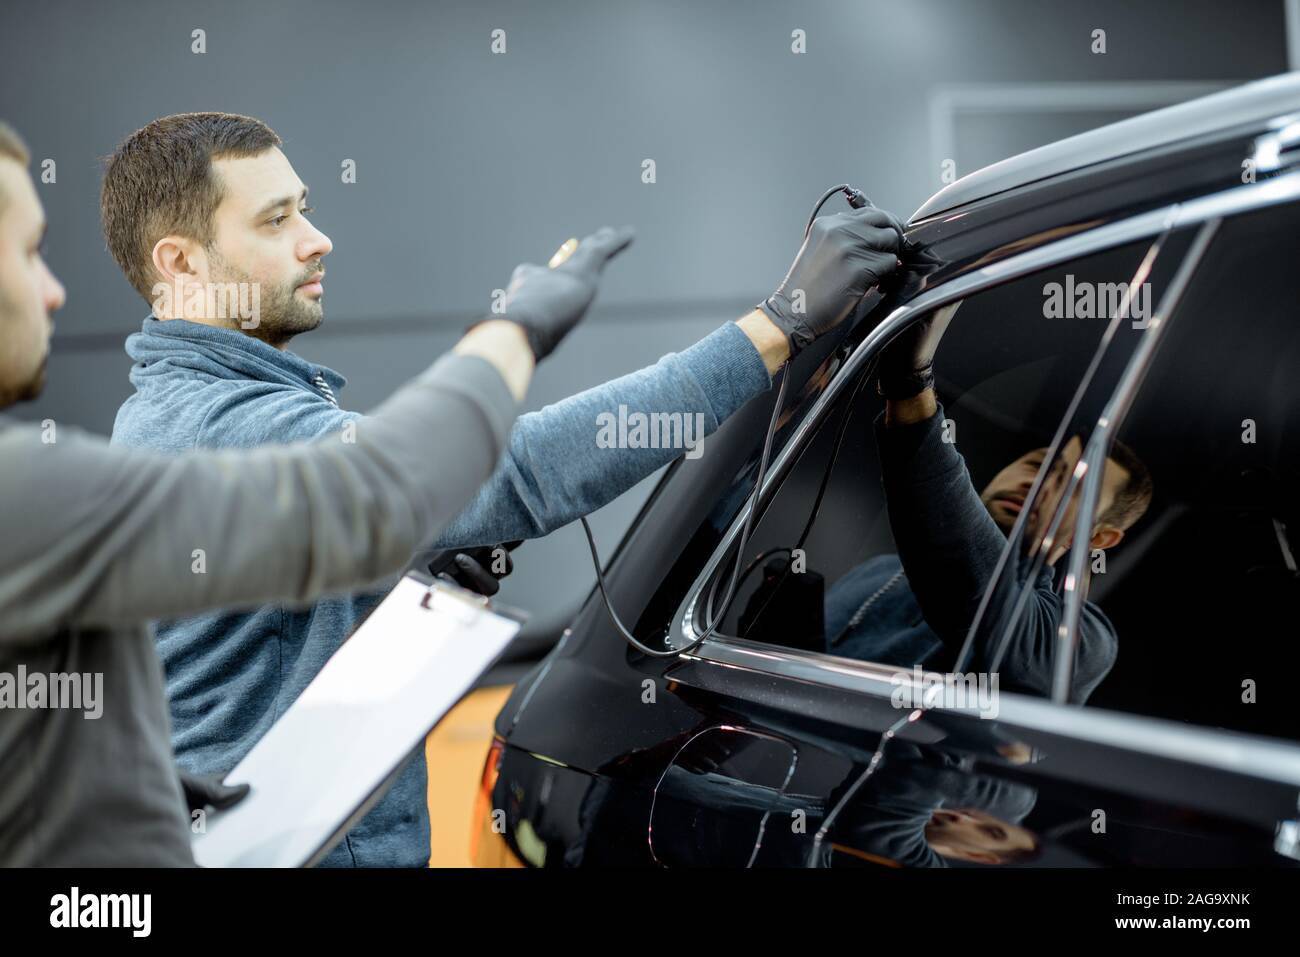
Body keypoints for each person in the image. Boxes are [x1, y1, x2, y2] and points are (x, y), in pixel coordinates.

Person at [100, 112, 907, 866]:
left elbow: (268, 640)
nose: (318, 240)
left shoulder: (188, 411)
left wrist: (400, 590)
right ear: (180, 262)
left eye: (304, 209)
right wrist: (778, 325)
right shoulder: (223, 425)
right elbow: (520, 471)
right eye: (275, 220)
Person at [0, 119, 623, 865]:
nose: (55, 288)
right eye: (30, 252)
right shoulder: (76, 471)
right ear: (181, 262)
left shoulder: (147, 424)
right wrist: (518, 326)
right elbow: (396, 487)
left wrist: (136, 788)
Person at [824, 302, 1153, 702]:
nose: (1039, 483)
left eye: (1073, 484)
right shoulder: (879, 574)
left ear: (1099, 538)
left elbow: (971, 582)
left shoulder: (1078, 642)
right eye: (1038, 464)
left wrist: (909, 385)